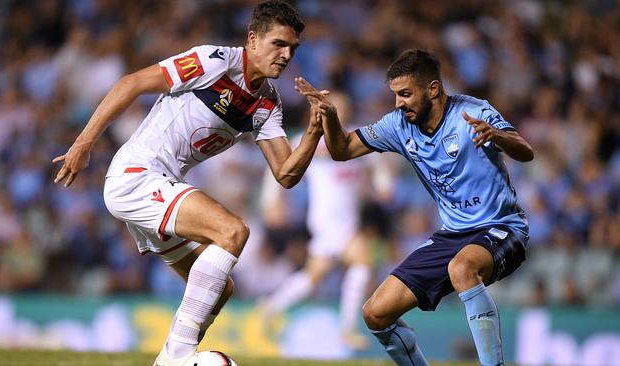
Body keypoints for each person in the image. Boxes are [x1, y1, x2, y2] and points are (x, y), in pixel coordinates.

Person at [52, 2, 322, 365]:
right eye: (278, 44)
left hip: (159, 186)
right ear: (253, 39)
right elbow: (131, 83)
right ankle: (178, 355)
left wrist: (314, 131)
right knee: (233, 232)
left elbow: (286, 174)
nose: (286, 55)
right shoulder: (214, 61)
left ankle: (168, 359)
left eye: (293, 48)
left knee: (220, 289)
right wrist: (83, 144)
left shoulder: (266, 104)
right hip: (137, 175)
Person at [296, 48, 534, 366]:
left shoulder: (473, 113)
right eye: (395, 95)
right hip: (454, 234)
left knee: (462, 268)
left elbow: (526, 151)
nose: (399, 103)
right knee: (375, 313)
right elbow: (342, 151)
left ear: (432, 88)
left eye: (406, 94)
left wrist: (497, 136)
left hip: (503, 225)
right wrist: (331, 118)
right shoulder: (398, 125)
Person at [260, 92, 373, 350]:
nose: (340, 111)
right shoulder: (309, 138)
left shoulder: (355, 136)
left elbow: (374, 166)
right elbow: (279, 166)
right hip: (327, 219)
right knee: (362, 262)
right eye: (335, 107)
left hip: (348, 217)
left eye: (343, 106)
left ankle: (272, 305)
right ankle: (347, 328)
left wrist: (379, 184)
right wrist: (272, 201)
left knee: (313, 278)